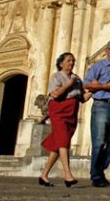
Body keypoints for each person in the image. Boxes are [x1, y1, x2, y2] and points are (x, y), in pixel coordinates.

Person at [38, 52, 92, 188]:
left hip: (71, 111)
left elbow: (82, 98)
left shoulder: (77, 79)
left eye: (73, 61)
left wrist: (95, 90)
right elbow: (55, 94)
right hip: (58, 109)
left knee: (58, 144)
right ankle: (67, 175)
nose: (71, 63)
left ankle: (43, 175)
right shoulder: (56, 77)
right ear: (61, 63)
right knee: (63, 141)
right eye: (68, 60)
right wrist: (69, 84)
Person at [83, 38, 110, 188]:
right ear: (106, 51)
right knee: (99, 142)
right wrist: (105, 86)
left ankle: (99, 168)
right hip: (101, 106)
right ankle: (96, 176)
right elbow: (85, 84)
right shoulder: (98, 66)